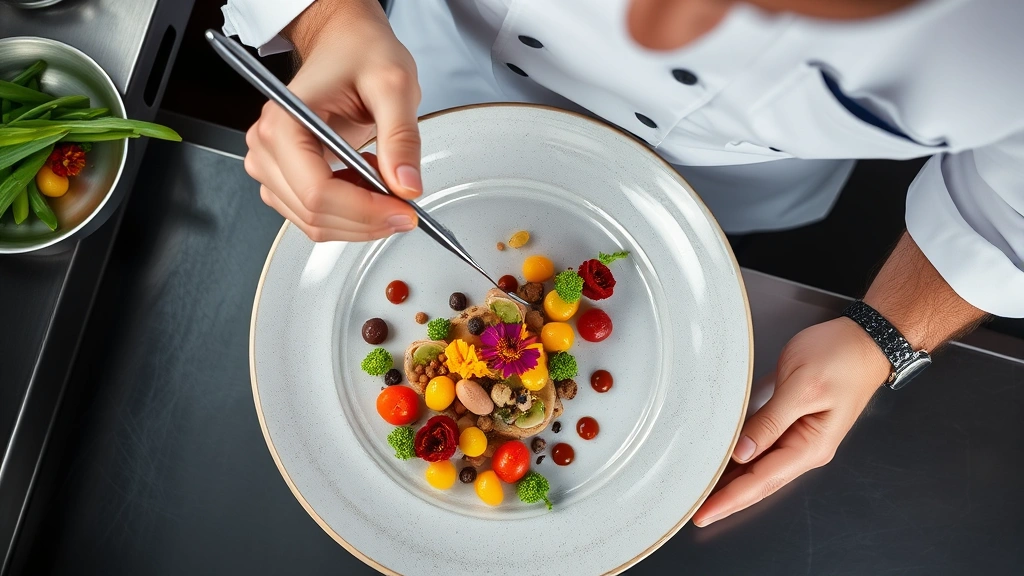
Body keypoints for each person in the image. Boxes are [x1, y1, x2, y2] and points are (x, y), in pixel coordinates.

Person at [221, 0, 1023, 527]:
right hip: (432, 87)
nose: (655, 29)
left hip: (736, 197)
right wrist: (327, 19)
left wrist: (889, 332)